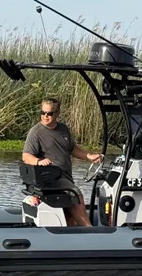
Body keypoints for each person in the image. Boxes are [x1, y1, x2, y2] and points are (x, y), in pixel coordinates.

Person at [22, 97, 103, 226]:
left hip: (66, 176)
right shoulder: (36, 132)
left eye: (49, 113)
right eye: (43, 113)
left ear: (57, 113)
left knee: (69, 217)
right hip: (52, 179)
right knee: (76, 194)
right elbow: (26, 156)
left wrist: (88, 156)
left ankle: (71, 237)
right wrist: (38, 161)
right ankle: (88, 228)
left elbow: (72, 149)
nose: (45, 116)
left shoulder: (63, 129)